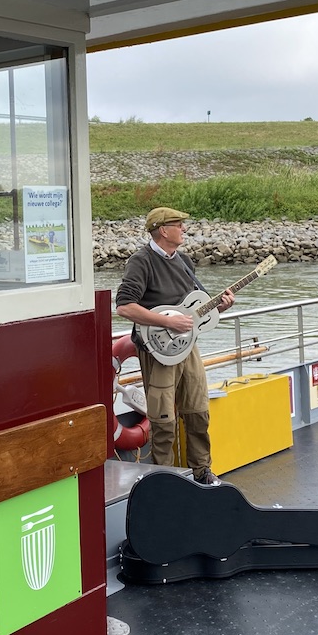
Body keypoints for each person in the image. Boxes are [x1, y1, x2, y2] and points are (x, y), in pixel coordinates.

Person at [115, 207, 234, 485]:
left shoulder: (185, 262)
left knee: (198, 410)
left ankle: (202, 470)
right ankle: (165, 478)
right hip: (157, 350)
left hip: (187, 347)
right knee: (163, 419)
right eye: (179, 225)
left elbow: (192, 311)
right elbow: (124, 307)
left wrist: (221, 308)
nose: (184, 229)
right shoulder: (141, 261)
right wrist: (167, 322)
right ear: (163, 230)